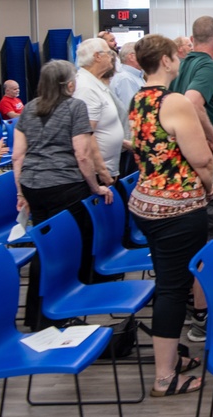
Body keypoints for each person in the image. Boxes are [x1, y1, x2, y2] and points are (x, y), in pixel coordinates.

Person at [127, 34, 213, 397]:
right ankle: (165, 375)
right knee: (172, 289)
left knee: (169, 282)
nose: (180, 58)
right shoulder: (174, 101)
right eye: (175, 55)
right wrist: (208, 185)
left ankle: (172, 361)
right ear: (165, 60)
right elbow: (202, 158)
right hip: (176, 208)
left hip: (146, 203)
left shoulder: (138, 98)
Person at [13, 60, 112, 329]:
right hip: (65, 187)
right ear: (69, 84)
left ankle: (36, 315)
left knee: (44, 247)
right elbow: (82, 154)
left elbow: (17, 155)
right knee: (67, 248)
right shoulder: (74, 106)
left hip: (34, 186)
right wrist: (95, 187)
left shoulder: (30, 108)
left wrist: (21, 192)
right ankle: (61, 309)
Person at [169, 16, 213, 229]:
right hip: (210, 157)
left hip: (188, 155)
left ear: (192, 39)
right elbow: (192, 102)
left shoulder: (181, 66)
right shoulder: (209, 67)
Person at [73, 38, 125, 182]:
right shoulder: (86, 88)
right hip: (98, 173)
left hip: (107, 168)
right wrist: (102, 171)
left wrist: (124, 142)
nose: (112, 57)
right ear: (97, 56)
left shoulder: (94, 83)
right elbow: (86, 136)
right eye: (109, 53)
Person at [111, 42, 145, 109]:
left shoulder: (136, 76)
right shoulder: (125, 79)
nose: (146, 58)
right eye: (143, 54)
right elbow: (131, 109)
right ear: (132, 57)